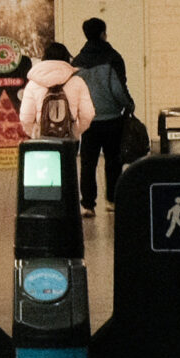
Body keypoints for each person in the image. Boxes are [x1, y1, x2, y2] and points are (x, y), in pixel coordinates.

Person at [71, 15, 134, 217]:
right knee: (113, 160)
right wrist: (128, 104)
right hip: (112, 119)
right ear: (102, 34)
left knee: (88, 162)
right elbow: (118, 88)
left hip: (88, 121)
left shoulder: (78, 62)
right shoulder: (113, 58)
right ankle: (112, 200)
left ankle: (88, 204)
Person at [19, 40, 94, 151]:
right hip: (68, 141)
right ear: (66, 58)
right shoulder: (77, 81)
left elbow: (26, 118)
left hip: (42, 139)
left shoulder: (33, 83)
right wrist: (75, 131)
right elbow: (88, 114)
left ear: (44, 58)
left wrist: (36, 133)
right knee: (67, 168)